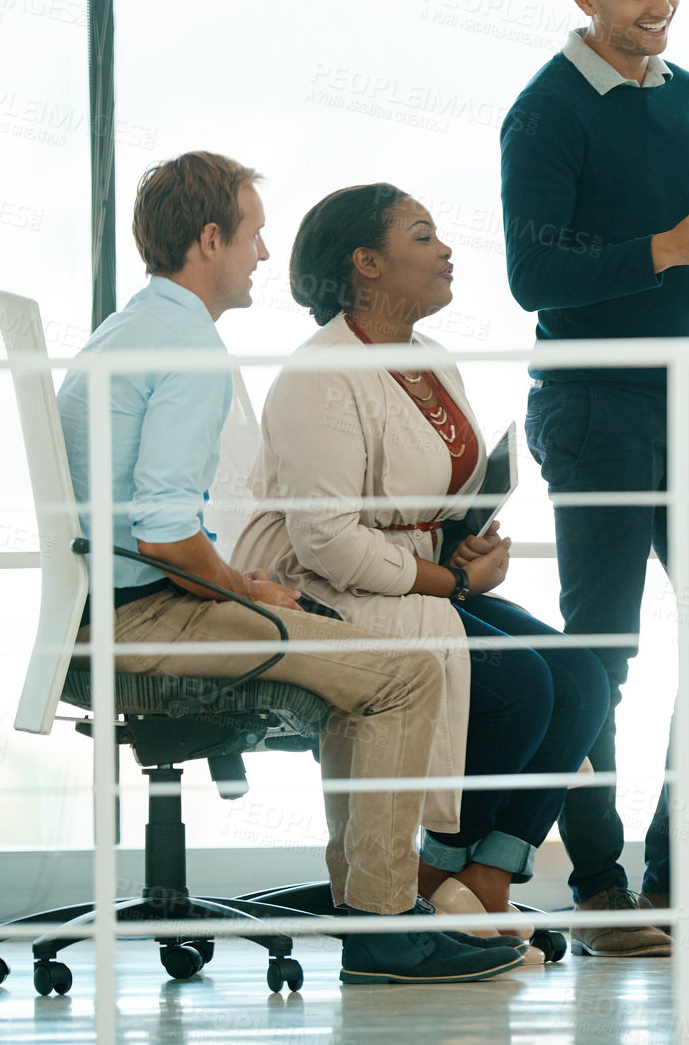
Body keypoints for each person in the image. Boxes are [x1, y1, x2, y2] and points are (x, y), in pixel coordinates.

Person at [57, 152, 525, 985]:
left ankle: (373, 901)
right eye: (252, 236)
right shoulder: (189, 347)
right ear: (210, 240)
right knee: (399, 674)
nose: (264, 257)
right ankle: (382, 926)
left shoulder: (137, 326)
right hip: (143, 617)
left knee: (378, 665)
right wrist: (252, 587)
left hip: (110, 609)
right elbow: (167, 535)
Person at [231, 183, 610, 952]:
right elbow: (328, 540)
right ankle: (437, 871)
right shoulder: (322, 375)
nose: (446, 251)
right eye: (423, 236)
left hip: (413, 569)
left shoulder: (429, 359)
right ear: (366, 263)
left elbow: (425, 499)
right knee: (518, 688)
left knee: (583, 678)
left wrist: (462, 545)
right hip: (322, 586)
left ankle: (486, 880)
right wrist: (453, 582)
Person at [501, 0, 689, 955]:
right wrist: (663, 248)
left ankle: (681, 869)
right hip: (593, 409)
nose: (660, 8)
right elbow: (536, 275)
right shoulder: (547, 112)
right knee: (602, 654)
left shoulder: (687, 94)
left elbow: (684, 237)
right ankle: (600, 886)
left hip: (686, 402)